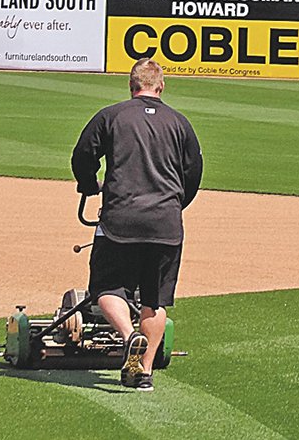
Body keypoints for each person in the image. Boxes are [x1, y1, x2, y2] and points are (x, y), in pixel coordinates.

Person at [71, 58, 203, 392]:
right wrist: (175, 205)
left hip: (121, 220)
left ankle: (130, 337)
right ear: (161, 86)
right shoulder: (180, 123)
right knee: (155, 300)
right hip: (166, 224)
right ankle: (143, 373)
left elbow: (83, 156)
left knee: (105, 288)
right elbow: (193, 173)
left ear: (131, 86)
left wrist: (89, 185)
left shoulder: (112, 116)